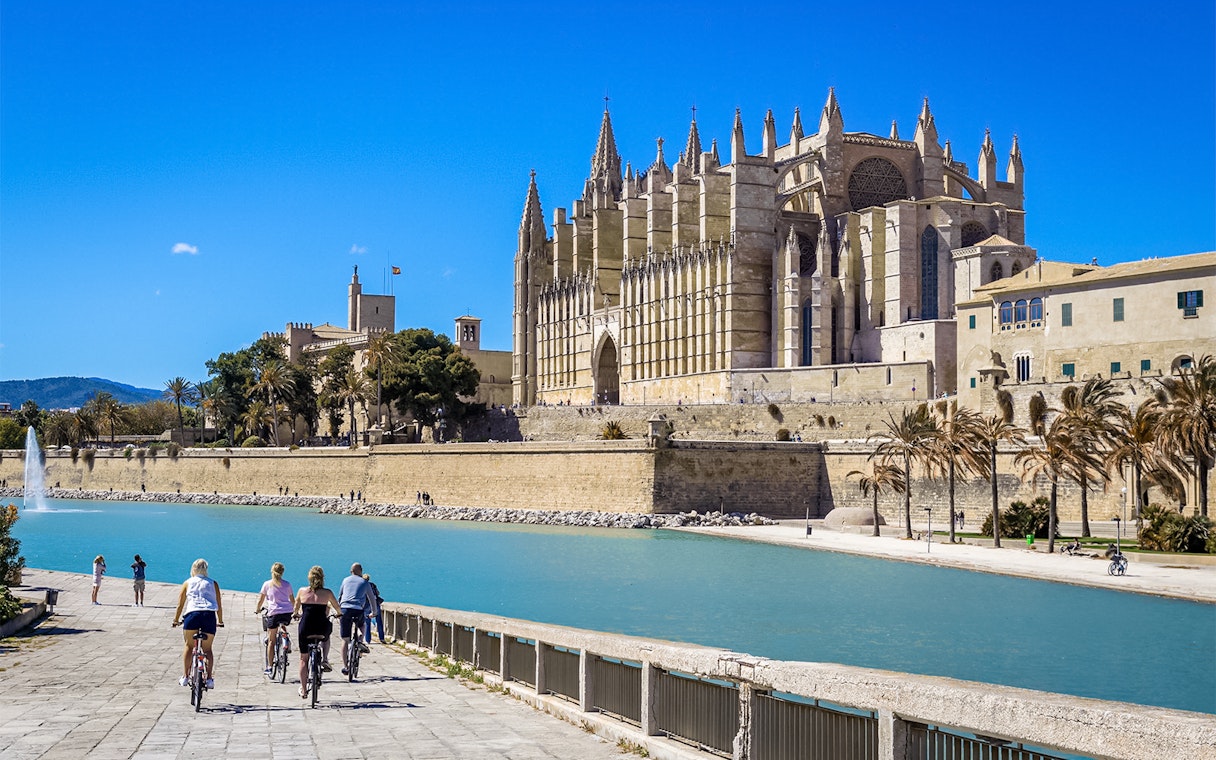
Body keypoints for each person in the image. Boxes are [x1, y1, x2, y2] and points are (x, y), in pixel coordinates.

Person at [171, 558, 224, 689]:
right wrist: (221, 621)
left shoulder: (187, 583)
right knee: (207, 649)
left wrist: (175, 620)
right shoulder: (213, 583)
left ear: (193, 569)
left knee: (189, 646)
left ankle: (185, 676)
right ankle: (210, 678)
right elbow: (219, 605)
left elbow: (180, 605)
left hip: (192, 615)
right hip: (209, 615)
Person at [294, 565, 341, 698]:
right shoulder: (327, 593)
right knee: (326, 636)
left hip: (306, 628)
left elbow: (296, 608)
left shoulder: (302, 591)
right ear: (322, 578)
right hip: (321, 627)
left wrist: (296, 614)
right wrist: (339, 614)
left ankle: (303, 690)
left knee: (303, 659)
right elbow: (337, 608)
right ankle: (325, 659)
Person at [254, 562, 295, 674]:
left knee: (271, 640)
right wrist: (295, 611)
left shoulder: (267, 584)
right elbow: (292, 600)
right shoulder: (287, 584)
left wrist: (257, 609)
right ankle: (286, 641)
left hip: (274, 612)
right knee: (283, 625)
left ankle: (270, 667)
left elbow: (261, 600)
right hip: (287, 612)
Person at [337, 563, 377, 675]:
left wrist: (339, 611)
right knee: (362, 625)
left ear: (351, 571)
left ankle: (345, 666)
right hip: (358, 609)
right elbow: (372, 598)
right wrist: (374, 612)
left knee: (345, 639)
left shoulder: (345, 580)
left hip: (345, 609)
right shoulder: (365, 582)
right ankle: (359, 641)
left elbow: (340, 596)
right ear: (361, 571)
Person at [362, 573, 385, 644]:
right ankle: (382, 638)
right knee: (379, 622)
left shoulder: (362, 586)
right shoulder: (372, 585)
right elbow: (378, 593)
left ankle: (368, 640)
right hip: (375, 604)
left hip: (366, 605)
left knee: (367, 623)